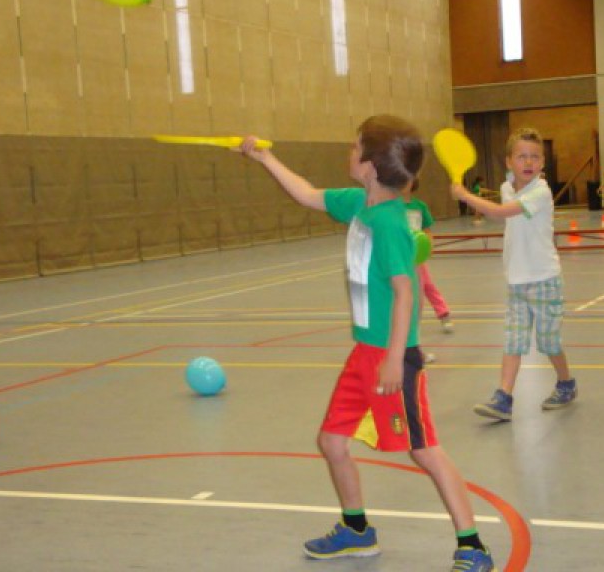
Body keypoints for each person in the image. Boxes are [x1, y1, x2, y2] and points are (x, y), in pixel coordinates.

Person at [238, 115, 496, 571]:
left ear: (371, 165)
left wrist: (396, 357)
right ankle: (357, 531)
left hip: (393, 358)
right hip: (364, 354)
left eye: (354, 147)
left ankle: (472, 545)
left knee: (423, 448)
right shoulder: (359, 205)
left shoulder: (390, 224)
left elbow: (405, 292)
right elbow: (307, 194)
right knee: (332, 441)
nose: (348, 152)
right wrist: (264, 157)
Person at [450, 127, 576, 420]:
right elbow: (505, 196)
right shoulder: (508, 187)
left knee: (549, 342)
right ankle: (504, 398)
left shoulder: (541, 192)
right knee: (514, 341)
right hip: (516, 282)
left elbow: (501, 213)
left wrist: (465, 195)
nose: (528, 162)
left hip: (545, 280)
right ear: (509, 162)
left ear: (543, 163)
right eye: (521, 157)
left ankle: (566, 383)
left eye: (534, 157)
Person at [401, 178, 455, 343]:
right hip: (400, 256)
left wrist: (428, 247)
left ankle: (443, 313)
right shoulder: (392, 208)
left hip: (417, 256)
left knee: (427, 285)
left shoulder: (420, 206)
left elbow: (427, 230)